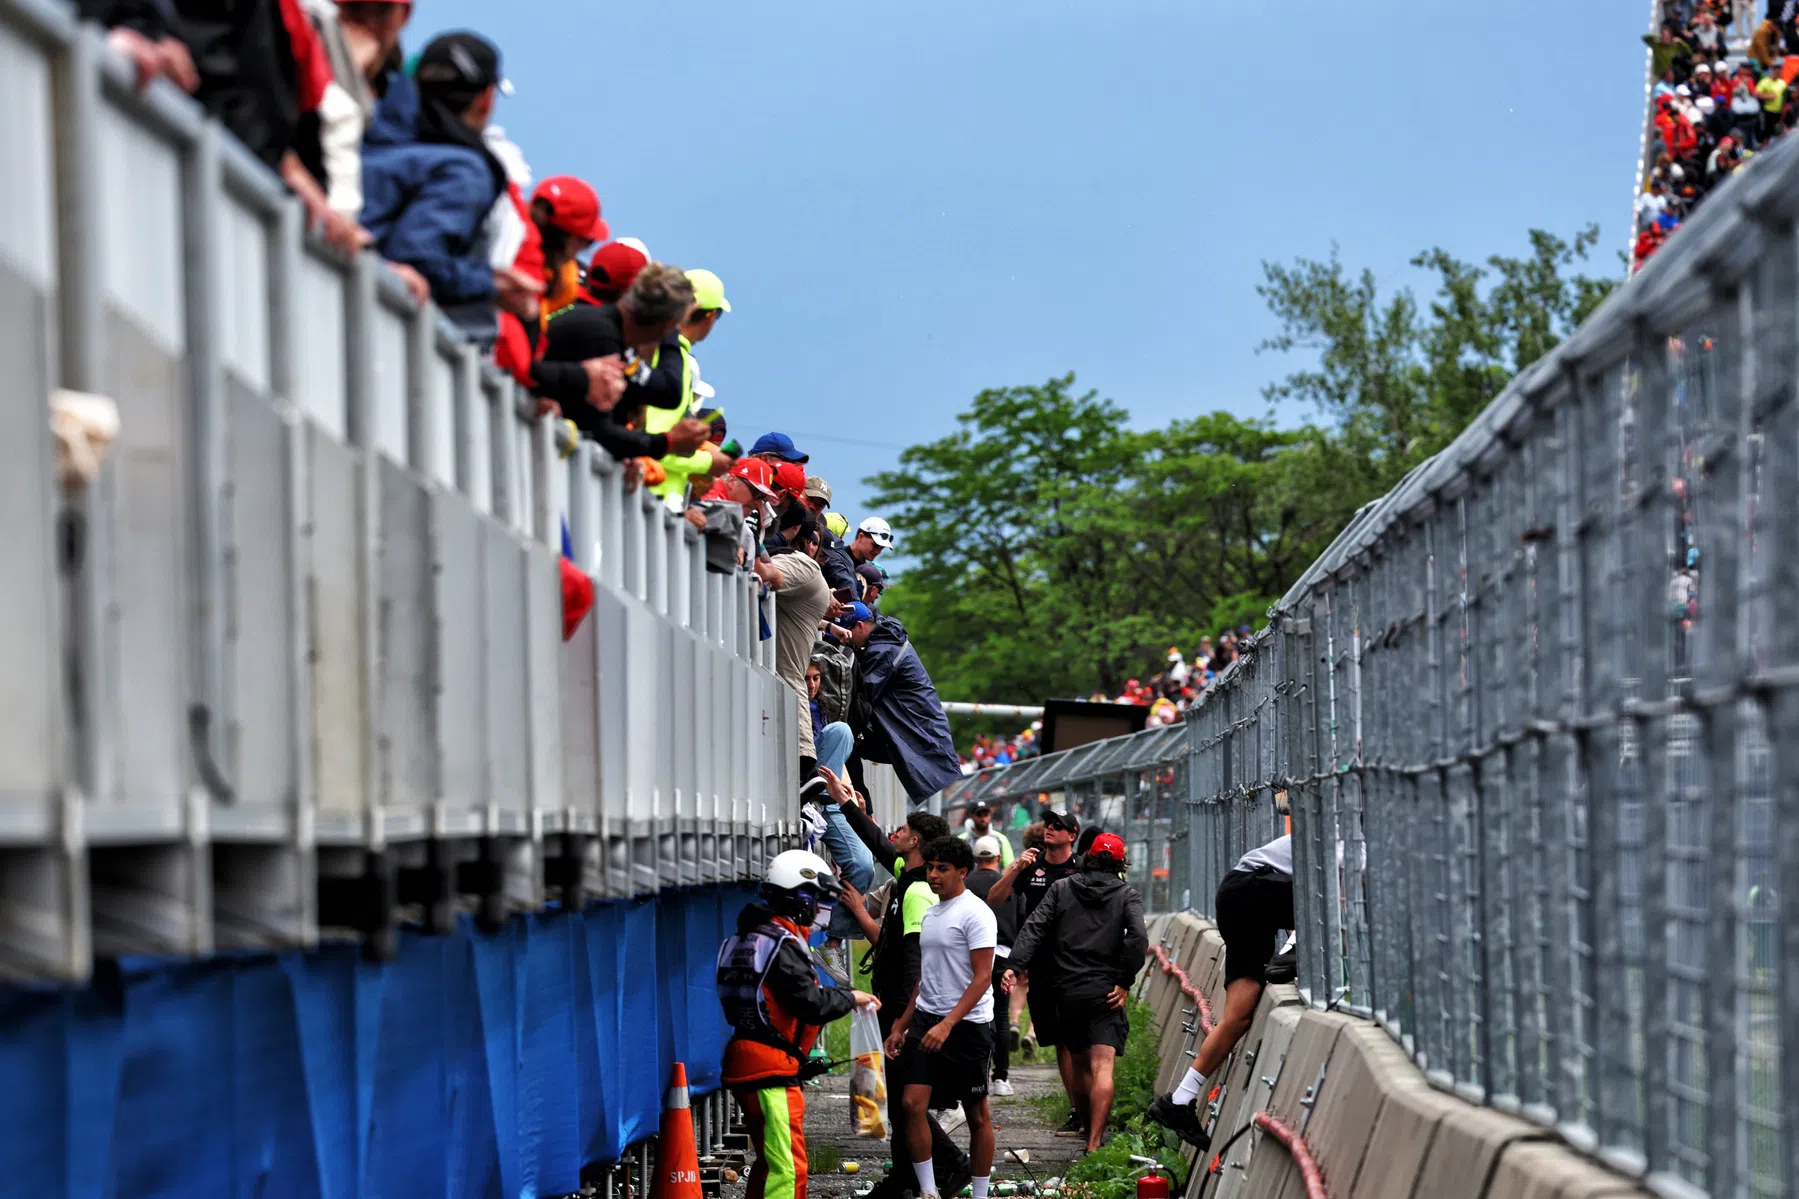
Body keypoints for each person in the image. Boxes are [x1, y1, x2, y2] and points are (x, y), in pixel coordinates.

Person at [829, 794, 971, 1199]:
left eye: (905, 831)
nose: (897, 833)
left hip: (903, 1009)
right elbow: (876, 840)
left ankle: (951, 1164)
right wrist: (845, 804)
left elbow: (908, 958)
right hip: (895, 1004)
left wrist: (904, 1020)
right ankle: (905, 1179)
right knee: (894, 1097)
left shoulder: (917, 892)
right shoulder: (905, 872)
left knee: (909, 1101)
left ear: (916, 844)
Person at [718, 850, 879, 1199]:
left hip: (752, 1061)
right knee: (789, 1168)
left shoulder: (746, 938)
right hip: (769, 1069)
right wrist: (853, 997)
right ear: (799, 898)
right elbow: (809, 1003)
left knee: (769, 1161)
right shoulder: (781, 944)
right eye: (817, 898)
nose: (821, 908)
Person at [361, 32, 541, 341]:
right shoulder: (462, 171)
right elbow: (416, 258)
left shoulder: (369, 131)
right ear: (486, 100)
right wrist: (491, 283)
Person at [1147, 833, 1295, 1150]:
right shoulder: (1351, 840)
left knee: (1238, 1017)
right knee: (1333, 896)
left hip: (1243, 894)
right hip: (1251, 892)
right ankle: (1292, 952)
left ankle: (1180, 1099)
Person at [1002, 833, 1146, 1152]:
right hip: (1106, 991)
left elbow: (1034, 927)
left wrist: (1014, 965)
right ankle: (1095, 1142)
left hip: (1066, 989)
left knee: (1080, 1066)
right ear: (1121, 864)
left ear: (1088, 857)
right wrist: (1124, 981)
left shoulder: (1062, 888)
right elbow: (1137, 939)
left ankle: (1083, 1125)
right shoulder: (1126, 895)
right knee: (1102, 1067)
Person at [883, 837, 997, 1199]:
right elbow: (925, 978)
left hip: (967, 1027)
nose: (933, 875)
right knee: (910, 1103)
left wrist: (948, 1024)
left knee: (977, 1114)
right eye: (930, 868)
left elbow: (982, 978)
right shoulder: (931, 913)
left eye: (942, 869)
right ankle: (929, 1191)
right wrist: (902, 1024)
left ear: (962, 872)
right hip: (925, 1021)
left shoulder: (976, 913)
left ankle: (980, 1193)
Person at [540, 263, 711, 462]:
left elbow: (667, 392)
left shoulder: (608, 329)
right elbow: (600, 431)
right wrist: (668, 442)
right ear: (668, 324)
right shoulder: (602, 337)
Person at [984, 808, 1083, 1136]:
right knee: (1059, 1042)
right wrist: (1014, 868)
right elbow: (994, 899)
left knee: (1076, 1040)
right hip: (1040, 966)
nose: (1049, 828)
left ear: (1072, 834)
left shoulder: (1081, 867)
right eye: (1048, 824)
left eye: (1058, 826)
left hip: (1076, 963)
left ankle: (1084, 1109)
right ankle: (1076, 1110)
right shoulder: (1032, 865)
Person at [835, 607, 962, 805]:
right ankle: (859, 805)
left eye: (846, 632)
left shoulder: (882, 650)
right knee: (847, 742)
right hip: (915, 728)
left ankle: (859, 806)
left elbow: (863, 693)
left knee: (845, 739)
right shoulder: (885, 641)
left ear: (859, 626)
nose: (845, 639)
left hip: (919, 732)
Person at [765, 517, 834, 770]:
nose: (818, 553)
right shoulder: (810, 571)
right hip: (784, 688)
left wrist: (752, 551)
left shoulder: (804, 566)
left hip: (788, 693)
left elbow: (772, 576)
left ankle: (805, 770)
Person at [964, 836, 1019, 1097]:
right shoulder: (1010, 884)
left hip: (973, 956)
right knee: (1002, 1015)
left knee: (974, 1014)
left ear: (976, 860)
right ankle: (1001, 1077)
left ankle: (976, 1076)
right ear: (998, 859)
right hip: (1006, 956)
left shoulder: (965, 884)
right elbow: (1022, 922)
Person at [958, 803, 1014, 868]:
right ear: (972, 817)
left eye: (986, 815)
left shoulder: (1001, 839)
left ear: (990, 815)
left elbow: (1009, 866)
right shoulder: (961, 840)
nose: (983, 818)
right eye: (979, 815)